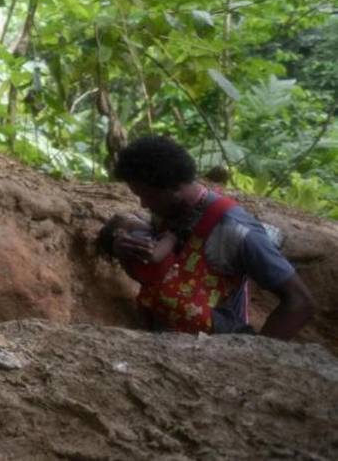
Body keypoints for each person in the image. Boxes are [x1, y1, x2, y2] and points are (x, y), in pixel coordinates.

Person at [110, 136, 314, 339]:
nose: (143, 204)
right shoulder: (165, 213)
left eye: (148, 196)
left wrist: (254, 358)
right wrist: (122, 246)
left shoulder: (236, 230)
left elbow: (300, 302)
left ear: (174, 187)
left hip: (217, 348)